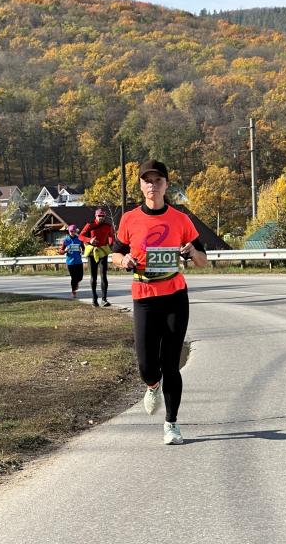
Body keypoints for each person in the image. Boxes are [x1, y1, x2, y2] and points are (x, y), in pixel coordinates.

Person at [110, 160, 208, 445]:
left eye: (158, 180)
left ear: (166, 184)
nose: (153, 185)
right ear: (140, 185)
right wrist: (124, 260)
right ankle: (152, 386)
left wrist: (191, 252)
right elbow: (115, 254)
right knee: (146, 367)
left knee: (171, 363)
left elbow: (203, 261)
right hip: (144, 298)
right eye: (147, 180)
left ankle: (172, 424)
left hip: (175, 298)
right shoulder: (130, 219)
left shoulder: (180, 219)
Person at [79, 207, 114, 307]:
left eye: (103, 216)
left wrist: (110, 243)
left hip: (103, 251)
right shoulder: (90, 225)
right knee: (93, 277)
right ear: (96, 216)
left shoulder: (108, 226)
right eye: (99, 216)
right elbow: (80, 236)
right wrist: (89, 240)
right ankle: (94, 299)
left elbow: (111, 236)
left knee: (104, 276)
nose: (101, 218)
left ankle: (104, 299)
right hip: (92, 252)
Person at [59, 224, 84, 298]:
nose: (72, 232)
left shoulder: (79, 239)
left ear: (75, 231)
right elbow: (61, 251)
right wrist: (65, 251)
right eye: (70, 231)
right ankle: (73, 291)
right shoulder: (66, 240)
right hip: (70, 262)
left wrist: (82, 251)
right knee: (73, 278)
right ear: (68, 231)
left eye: (73, 231)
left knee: (80, 277)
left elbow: (83, 248)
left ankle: (76, 283)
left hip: (79, 261)